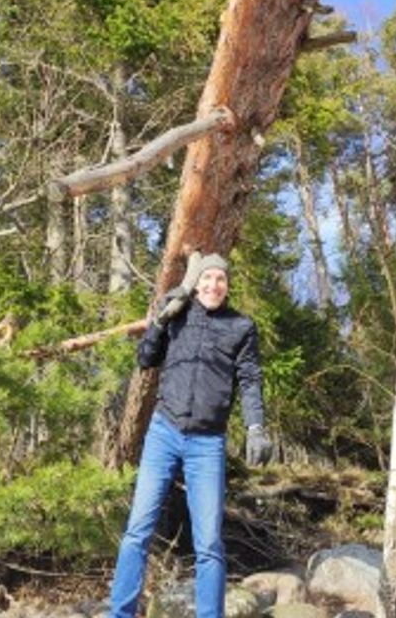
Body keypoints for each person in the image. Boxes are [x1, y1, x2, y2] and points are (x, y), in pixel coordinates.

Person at [108, 252, 272, 618]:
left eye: (221, 279)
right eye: (208, 278)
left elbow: (249, 380)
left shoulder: (241, 327)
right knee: (138, 530)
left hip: (207, 443)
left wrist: (255, 427)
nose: (214, 285)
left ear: (227, 286)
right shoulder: (177, 313)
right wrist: (159, 323)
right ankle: (119, 613)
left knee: (210, 543)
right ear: (197, 283)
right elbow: (146, 359)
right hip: (163, 433)